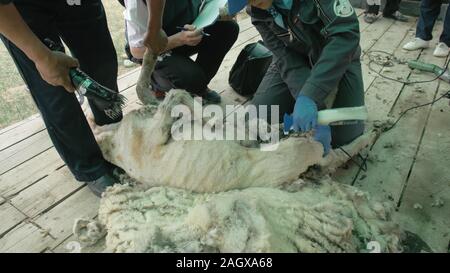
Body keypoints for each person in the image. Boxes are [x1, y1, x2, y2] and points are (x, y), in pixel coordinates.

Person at [0, 0, 124, 197]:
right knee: (54, 91)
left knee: (102, 66)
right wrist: (42, 57)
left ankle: (115, 135)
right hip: (20, 7)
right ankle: (90, 168)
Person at [228, 0, 366, 156]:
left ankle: (310, 102)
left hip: (338, 59)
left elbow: (345, 35)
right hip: (295, 60)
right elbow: (284, 57)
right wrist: (308, 99)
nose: (252, 3)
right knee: (256, 123)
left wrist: (310, 95)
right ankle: (297, 109)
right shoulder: (257, 12)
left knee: (343, 138)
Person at [123, 0, 240, 103]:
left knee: (229, 28)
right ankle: (156, 83)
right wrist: (179, 39)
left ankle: (198, 87)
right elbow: (137, 51)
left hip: (185, 31)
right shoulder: (136, 2)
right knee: (193, 79)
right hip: (155, 50)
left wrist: (221, 11)